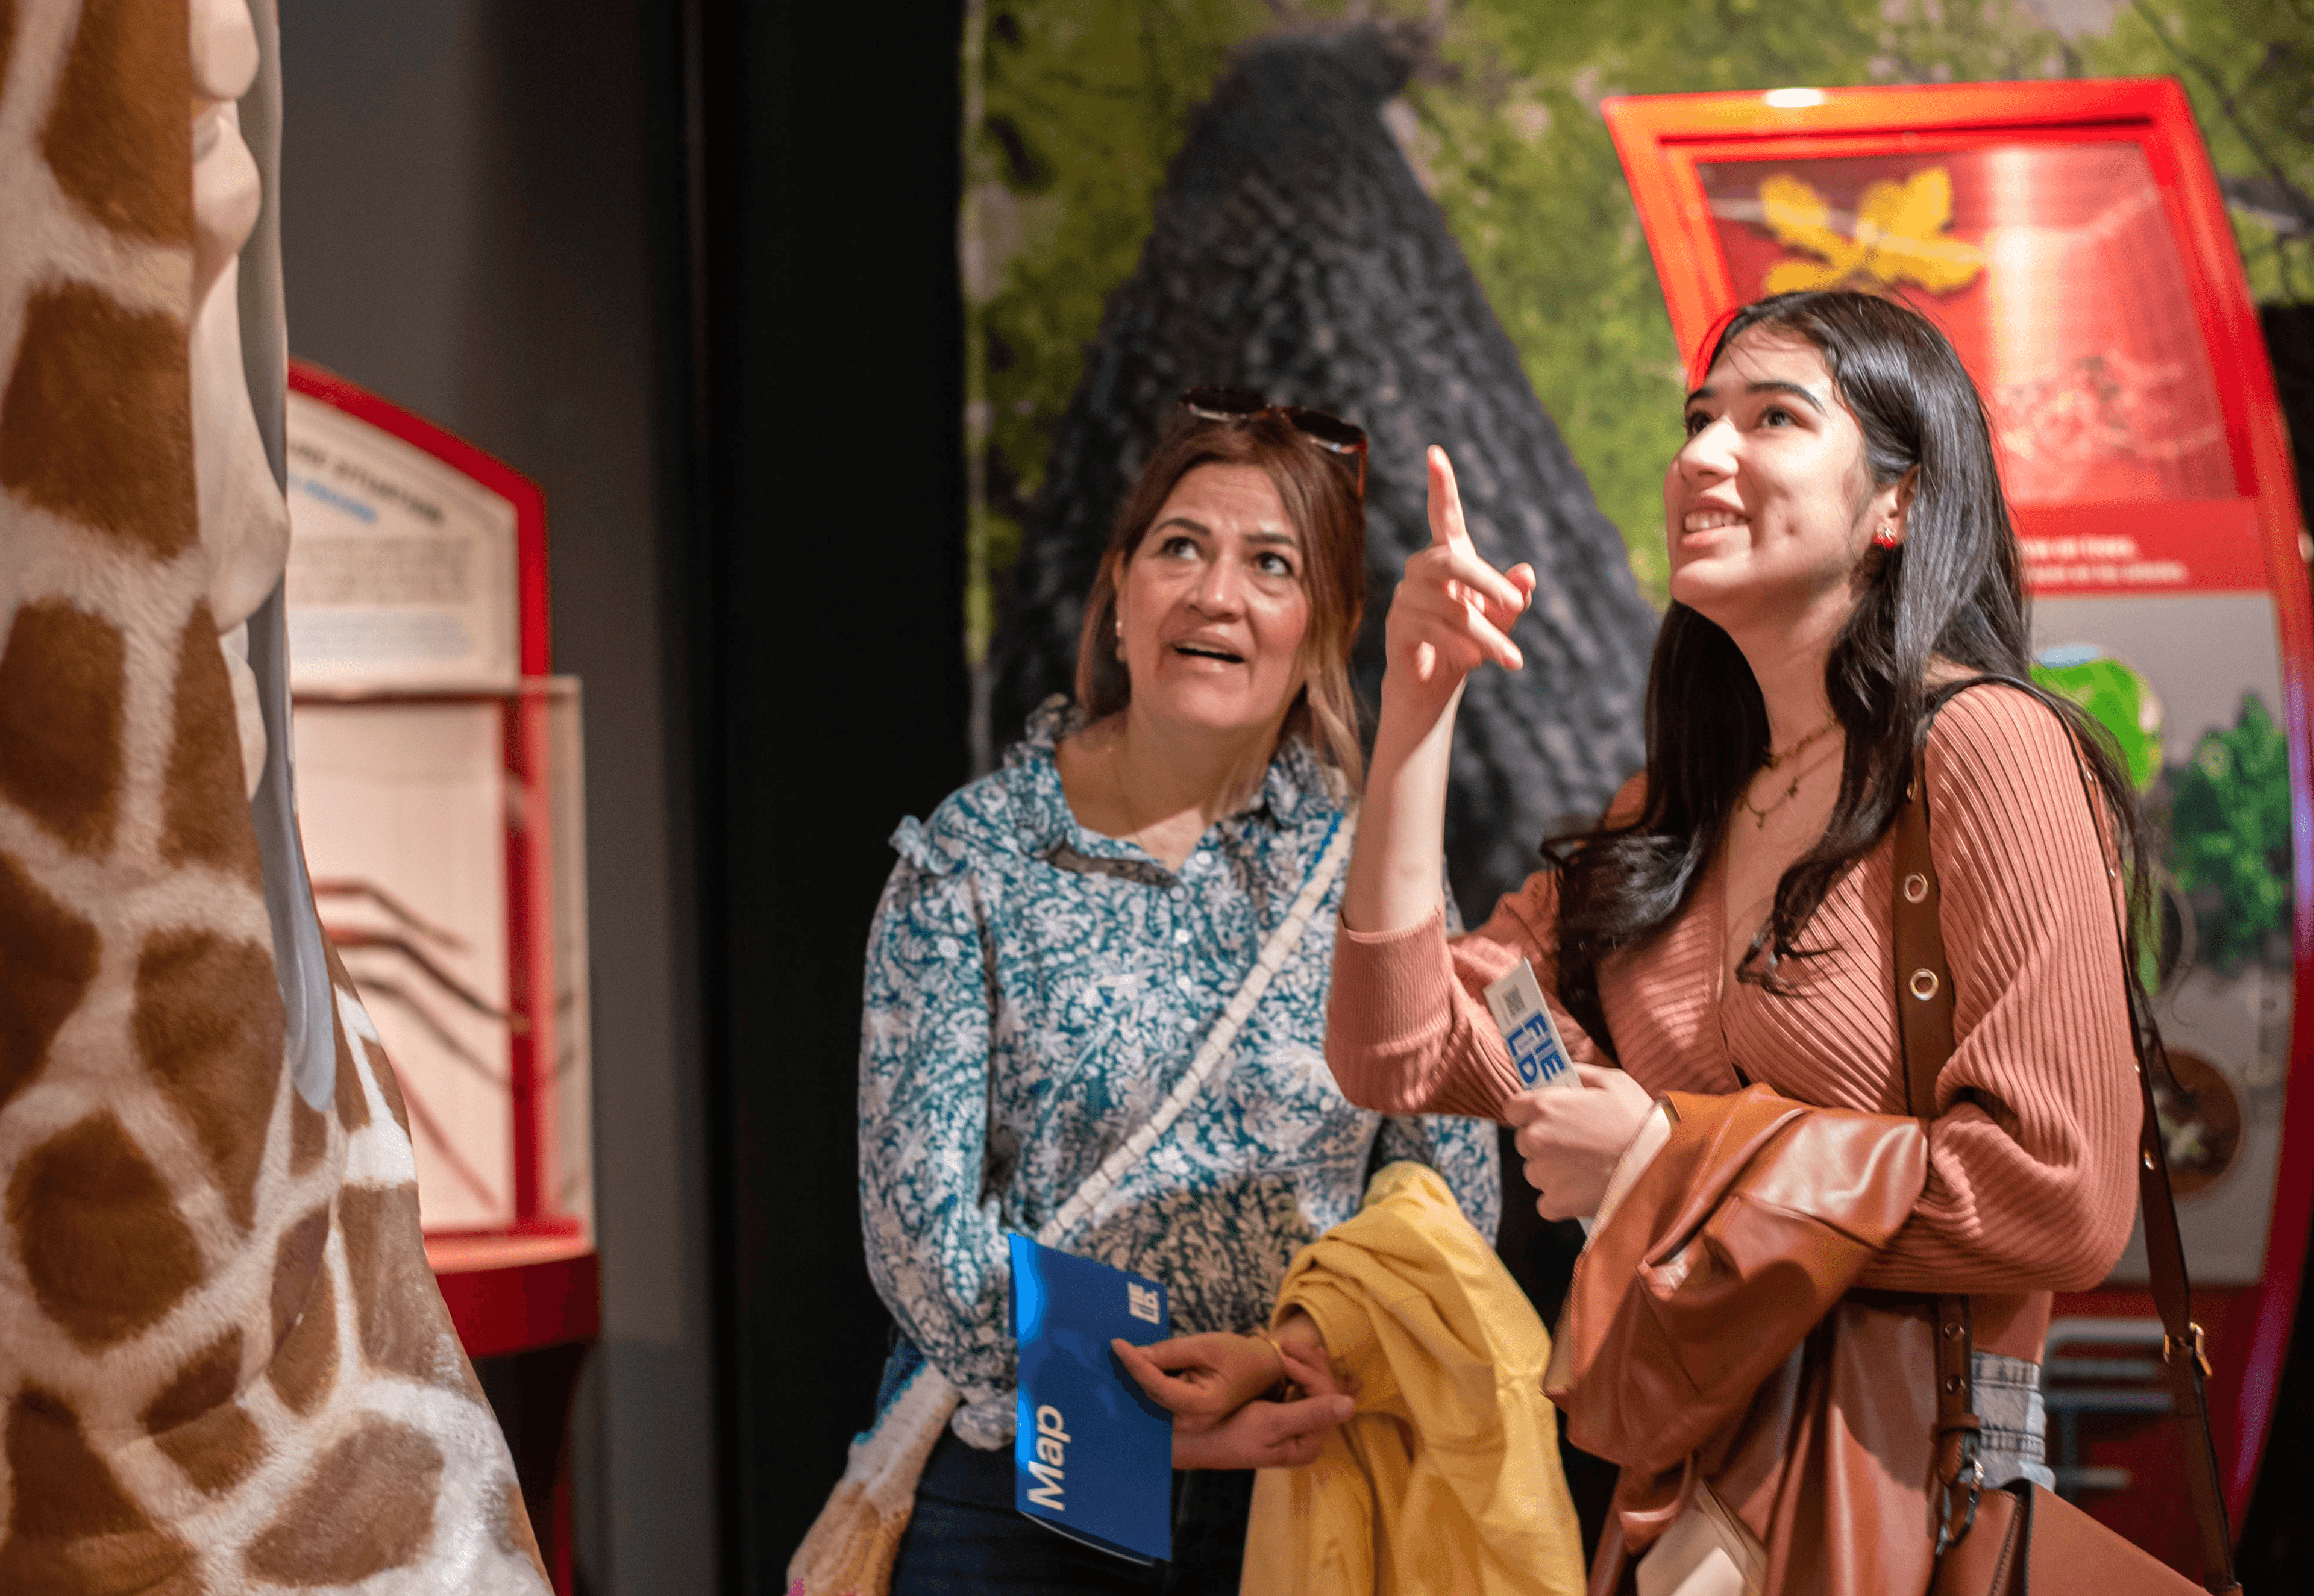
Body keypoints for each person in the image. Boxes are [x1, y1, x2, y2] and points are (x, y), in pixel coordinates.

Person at [1325, 290, 2145, 1573]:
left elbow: (2064, 1195)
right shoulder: (1671, 816)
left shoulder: (1987, 751)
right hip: (1685, 1502)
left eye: (1772, 418)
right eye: (1698, 419)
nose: (1703, 453)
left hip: (1904, 1509)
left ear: (1899, 505)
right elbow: (1399, 1051)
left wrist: (1666, 1159)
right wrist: (1417, 716)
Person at [856, 389, 1500, 1594]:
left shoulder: (1370, 869)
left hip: (1298, 1484)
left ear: (1326, 621)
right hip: (1017, 1497)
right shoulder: (976, 854)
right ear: (1120, 587)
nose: (1216, 593)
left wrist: (1293, 1352)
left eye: (1272, 563)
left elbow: (1448, 1198)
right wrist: (1126, 1414)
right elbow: (916, 1228)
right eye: (1181, 548)